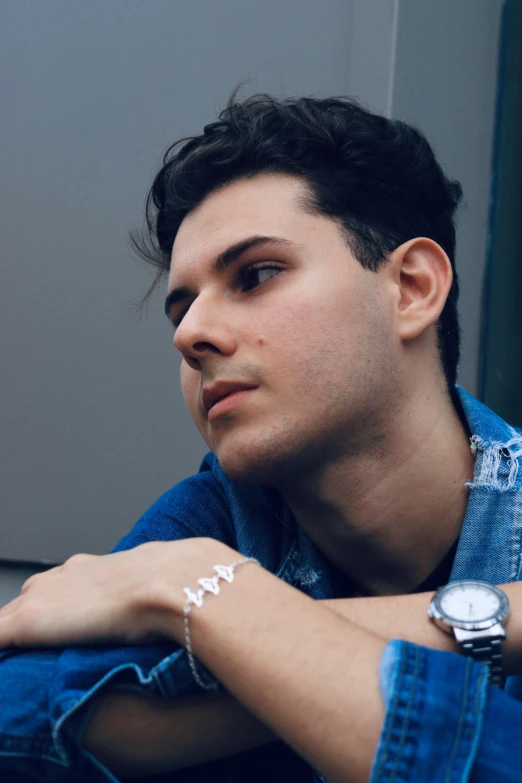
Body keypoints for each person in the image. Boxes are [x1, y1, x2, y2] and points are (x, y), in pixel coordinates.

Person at [0, 88, 521, 783]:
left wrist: (205, 598)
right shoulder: (214, 521)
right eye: (180, 309)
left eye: (256, 274)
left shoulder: (188, 566)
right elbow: (27, 712)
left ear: (413, 288)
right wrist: (496, 625)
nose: (189, 334)